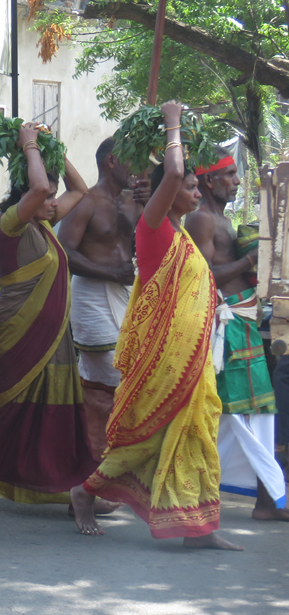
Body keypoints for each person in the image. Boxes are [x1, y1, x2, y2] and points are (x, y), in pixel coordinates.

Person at [71, 101, 243, 550]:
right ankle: (86, 491)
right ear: (169, 190)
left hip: (193, 356)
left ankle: (198, 528)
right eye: (189, 186)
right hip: (164, 357)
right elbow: (172, 171)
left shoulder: (184, 234)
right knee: (148, 436)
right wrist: (172, 123)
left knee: (197, 434)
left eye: (196, 186)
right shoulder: (153, 228)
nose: (196, 192)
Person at [0, 123, 101, 512]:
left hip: (53, 336)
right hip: (21, 333)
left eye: (52, 194)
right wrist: (30, 144)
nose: (53, 200)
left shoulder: (44, 223)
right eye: (47, 195)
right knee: (12, 410)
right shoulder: (11, 224)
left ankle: (69, 485)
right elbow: (38, 189)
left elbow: (81, 190)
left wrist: (55, 152)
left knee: (55, 411)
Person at [185, 148, 288, 520]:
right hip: (226, 329)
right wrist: (249, 260)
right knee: (240, 411)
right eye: (229, 175)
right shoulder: (201, 219)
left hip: (243, 324)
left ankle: (266, 501)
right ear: (209, 180)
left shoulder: (224, 221)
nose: (237, 181)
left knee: (257, 410)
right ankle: (265, 499)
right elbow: (203, 275)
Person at [57, 137, 145, 461]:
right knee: (110, 378)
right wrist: (111, 274)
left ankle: (104, 462)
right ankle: (96, 463)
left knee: (126, 377)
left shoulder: (134, 202)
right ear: (111, 161)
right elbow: (65, 253)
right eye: (131, 159)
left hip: (126, 296)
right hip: (92, 298)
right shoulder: (88, 202)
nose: (137, 168)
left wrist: (150, 204)